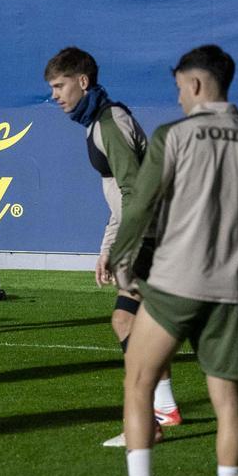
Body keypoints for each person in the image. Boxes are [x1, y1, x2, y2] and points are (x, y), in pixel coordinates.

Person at [97, 45, 238, 476]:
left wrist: (121, 259)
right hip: (227, 291)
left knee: (138, 384)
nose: (179, 97)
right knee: (228, 405)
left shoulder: (173, 135)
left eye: (180, 88)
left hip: (173, 285)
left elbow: (140, 203)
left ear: (197, 85)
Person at [44, 47, 180, 446]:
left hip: (148, 235)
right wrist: (106, 248)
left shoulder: (109, 121)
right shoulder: (97, 122)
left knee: (125, 323)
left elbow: (133, 190)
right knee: (145, 325)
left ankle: (148, 422)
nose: (54, 95)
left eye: (59, 85)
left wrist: (123, 245)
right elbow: (118, 196)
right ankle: (165, 408)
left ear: (82, 82)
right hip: (148, 232)